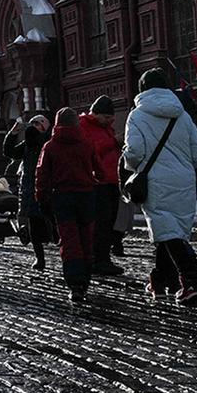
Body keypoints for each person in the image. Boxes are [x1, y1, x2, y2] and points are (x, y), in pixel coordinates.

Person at [121, 69, 197, 305]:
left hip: (156, 181)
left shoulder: (137, 116)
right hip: (184, 180)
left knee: (167, 232)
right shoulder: (182, 115)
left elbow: (135, 152)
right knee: (172, 231)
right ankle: (159, 281)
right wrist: (184, 167)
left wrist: (129, 163)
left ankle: (191, 284)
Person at [35, 107, 105, 305]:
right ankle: (86, 278)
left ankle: (75, 283)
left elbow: (41, 175)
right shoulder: (87, 144)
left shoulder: (50, 146)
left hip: (62, 198)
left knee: (69, 240)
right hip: (86, 196)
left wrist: (42, 198)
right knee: (86, 237)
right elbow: (99, 171)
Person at [77, 96, 129, 275]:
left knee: (109, 222)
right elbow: (89, 150)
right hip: (97, 183)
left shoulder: (105, 128)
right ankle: (99, 259)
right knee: (101, 223)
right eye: (107, 117)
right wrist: (113, 142)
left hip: (111, 181)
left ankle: (102, 257)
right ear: (96, 114)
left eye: (111, 118)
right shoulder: (83, 126)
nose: (110, 121)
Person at [2, 115, 52, 270]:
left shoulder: (48, 143)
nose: (33, 127)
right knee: (34, 224)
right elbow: (9, 152)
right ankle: (39, 258)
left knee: (52, 222)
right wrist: (12, 133)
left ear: (45, 127)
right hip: (29, 189)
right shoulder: (27, 144)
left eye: (37, 124)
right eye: (32, 124)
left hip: (46, 189)